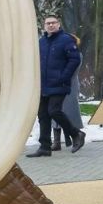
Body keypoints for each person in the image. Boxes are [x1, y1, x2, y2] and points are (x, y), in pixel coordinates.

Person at [26, 14, 85, 158]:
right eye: (48, 23)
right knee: (43, 115)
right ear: (44, 26)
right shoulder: (41, 42)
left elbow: (74, 59)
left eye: (53, 23)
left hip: (59, 84)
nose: (51, 25)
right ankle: (45, 147)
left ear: (58, 24)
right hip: (43, 85)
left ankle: (76, 133)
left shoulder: (66, 40)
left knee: (54, 111)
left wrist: (63, 77)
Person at [51, 33, 83, 151]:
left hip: (69, 87)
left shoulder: (76, 55)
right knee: (55, 112)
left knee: (68, 113)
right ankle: (57, 141)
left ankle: (75, 137)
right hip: (58, 86)